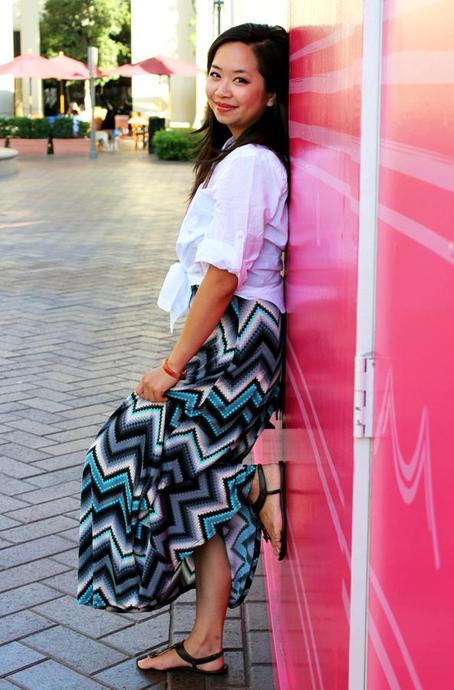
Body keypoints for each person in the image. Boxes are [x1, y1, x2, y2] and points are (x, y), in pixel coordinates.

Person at [77, 22, 289, 677]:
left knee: (124, 448)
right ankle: (204, 644)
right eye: (217, 75)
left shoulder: (251, 162)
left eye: (242, 79)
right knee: (192, 492)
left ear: (272, 94)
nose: (223, 90)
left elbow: (224, 276)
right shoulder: (235, 154)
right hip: (237, 332)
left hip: (240, 336)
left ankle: (253, 483)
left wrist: (172, 367)